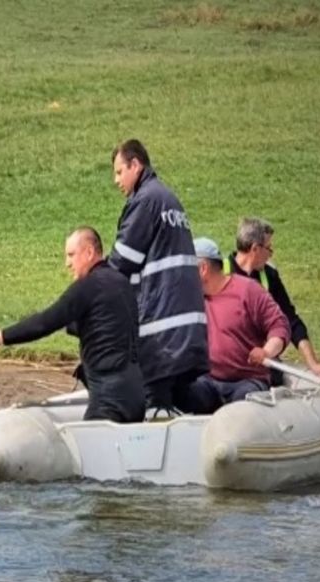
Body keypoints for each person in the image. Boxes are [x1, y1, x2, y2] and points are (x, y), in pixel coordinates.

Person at [0, 226, 145, 423]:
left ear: (89, 253)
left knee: (82, 453)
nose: (67, 263)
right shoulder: (121, 283)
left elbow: (44, 323)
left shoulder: (87, 287)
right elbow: (100, 326)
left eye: (71, 255)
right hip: (136, 398)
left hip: (108, 403)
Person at [108, 139, 208, 413]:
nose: (116, 181)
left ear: (135, 165)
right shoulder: (169, 198)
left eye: (119, 172)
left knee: (155, 400)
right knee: (178, 396)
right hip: (186, 329)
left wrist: (95, 284)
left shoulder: (146, 201)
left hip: (160, 331)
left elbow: (123, 260)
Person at [185, 237, 290, 414]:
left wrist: (266, 352)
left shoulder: (248, 290)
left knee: (242, 408)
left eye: (186, 269)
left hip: (247, 380)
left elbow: (279, 327)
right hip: (208, 380)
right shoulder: (191, 299)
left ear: (203, 269)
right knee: (184, 395)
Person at [226, 217, 320, 383]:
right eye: (269, 248)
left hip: (259, 362)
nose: (271, 253)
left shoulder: (269, 276)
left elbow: (290, 320)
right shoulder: (218, 272)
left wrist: (313, 364)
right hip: (226, 361)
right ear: (255, 249)